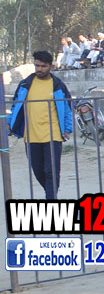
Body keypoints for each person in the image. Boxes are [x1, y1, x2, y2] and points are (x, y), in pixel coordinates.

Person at [6, 50, 73, 200]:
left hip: (53, 134)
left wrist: (67, 129)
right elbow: (16, 106)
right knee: (37, 170)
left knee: (51, 171)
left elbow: (67, 108)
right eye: (37, 65)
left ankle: (51, 201)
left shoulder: (58, 86)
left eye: (43, 66)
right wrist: (10, 123)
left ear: (51, 67)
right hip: (31, 134)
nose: (39, 69)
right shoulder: (25, 84)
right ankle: (51, 194)